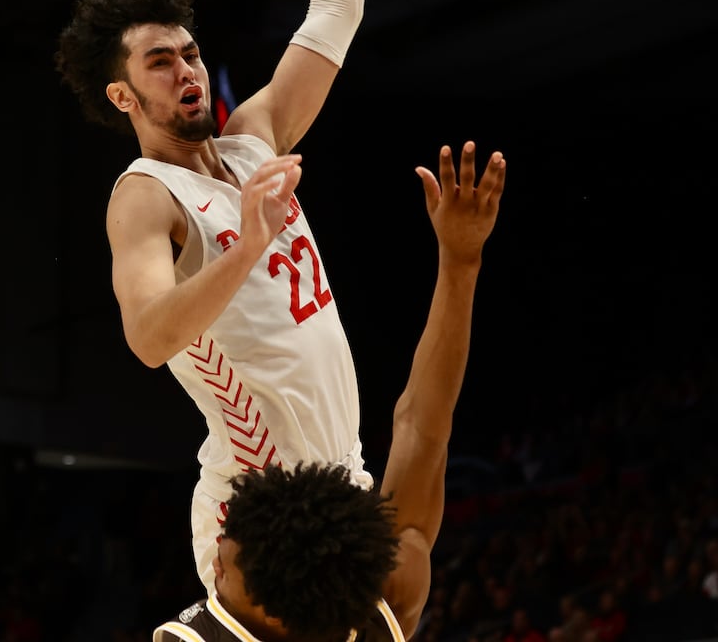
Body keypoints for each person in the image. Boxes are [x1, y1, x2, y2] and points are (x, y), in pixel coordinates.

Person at [54, 0, 368, 591]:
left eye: (190, 53)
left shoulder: (253, 137)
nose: (187, 71)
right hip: (259, 501)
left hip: (344, 478)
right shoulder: (145, 198)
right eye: (161, 63)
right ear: (123, 93)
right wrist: (247, 244)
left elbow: (335, 12)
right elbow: (150, 337)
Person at [154, 141, 506, 641]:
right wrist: (461, 261)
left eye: (228, 542)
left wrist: (460, 262)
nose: (221, 540)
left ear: (265, 608)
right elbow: (423, 429)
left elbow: (423, 433)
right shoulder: (382, 598)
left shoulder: (199, 639)